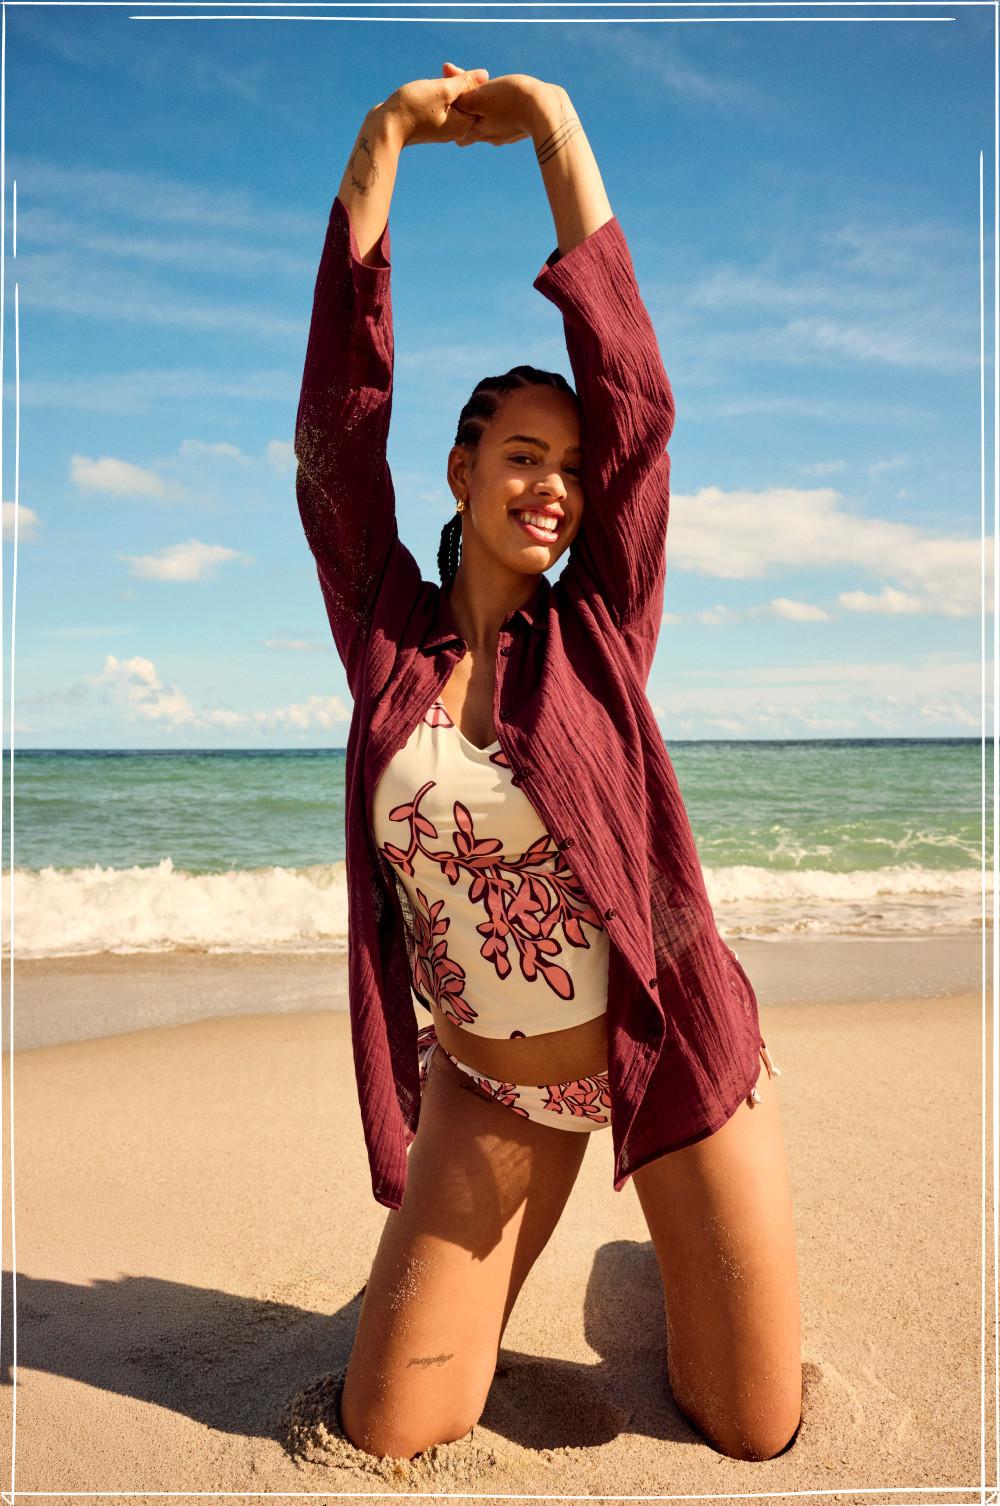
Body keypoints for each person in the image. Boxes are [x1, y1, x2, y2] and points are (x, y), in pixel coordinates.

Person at [294, 64, 802, 1466]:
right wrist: (378, 140)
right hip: (493, 1089)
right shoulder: (388, 641)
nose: (557, 488)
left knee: (750, 1421)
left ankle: (647, 1262)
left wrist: (560, 134)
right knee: (390, 1426)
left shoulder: (600, 630)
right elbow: (334, 441)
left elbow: (639, 408)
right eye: (525, 454)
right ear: (460, 470)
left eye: (573, 472)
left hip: (663, 1055)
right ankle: (520, 1236)